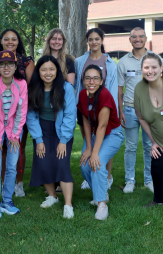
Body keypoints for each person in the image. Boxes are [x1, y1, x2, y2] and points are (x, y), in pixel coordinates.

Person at [0, 29, 35, 197]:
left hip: (19, 114)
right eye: (7, 39)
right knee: (1, 149)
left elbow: (31, 89)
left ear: (18, 41)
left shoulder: (26, 62)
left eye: (14, 39)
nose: (10, 42)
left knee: (18, 147)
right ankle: (4, 183)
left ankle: (18, 183)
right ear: (1, 41)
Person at [26, 56, 76, 218]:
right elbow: (31, 116)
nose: (48, 73)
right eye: (44, 69)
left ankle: (68, 205)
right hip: (42, 131)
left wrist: (63, 141)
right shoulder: (33, 88)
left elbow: (70, 116)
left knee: (62, 164)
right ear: (38, 72)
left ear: (57, 71)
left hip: (61, 131)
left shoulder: (66, 88)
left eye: (52, 69)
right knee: (44, 163)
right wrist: (38, 140)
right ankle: (53, 196)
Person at [0, 50, 27, 224]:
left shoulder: (21, 84)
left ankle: (7, 201)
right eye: (2, 64)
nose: (6, 67)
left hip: (14, 130)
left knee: (11, 167)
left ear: (16, 66)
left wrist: (15, 136)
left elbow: (21, 112)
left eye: (10, 64)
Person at [79, 64, 124, 220]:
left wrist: (95, 153)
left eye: (95, 78)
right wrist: (88, 149)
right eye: (88, 78)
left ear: (101, 80)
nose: (91, 81)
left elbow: (103, 126)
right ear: (83, 80)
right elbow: (85, 121)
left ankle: (101, 204)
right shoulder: (82, 95)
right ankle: (102, 192)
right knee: (85, 166)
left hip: (112, 133)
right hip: (94, 134)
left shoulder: (104, 94)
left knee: (96, 163)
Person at [75, 28, 118, 190]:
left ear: (102, 40)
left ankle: (107, 175)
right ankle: (90, 174)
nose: (94, 42)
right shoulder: (80, 61)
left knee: (105, 138)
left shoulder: (109, 63)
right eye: (91, 39)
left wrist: (114, 111)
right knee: (89, 139)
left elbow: (113, 88)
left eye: (97, 39)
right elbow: (78, 85)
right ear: (87, 42)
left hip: (104, 108)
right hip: (86, 108)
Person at [117, 27, 155, 193]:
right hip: (130, 110)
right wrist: (121, 111)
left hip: (150, 111)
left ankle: (149, 180)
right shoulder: (124, 62)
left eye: (141, 36)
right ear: (130, 39)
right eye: (134, 37)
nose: (138, 39)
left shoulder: (155, 59)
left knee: (150, 146)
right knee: (131, 147)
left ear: (145, 38)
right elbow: (119, 91)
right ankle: (130, 181)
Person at [42, 28, 75, 194]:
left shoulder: (68, 60)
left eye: (60, 39)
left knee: (61, 149)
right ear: (49, 40)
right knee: (47, 151)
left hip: (61, 106)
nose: (56, 41)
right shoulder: (42, 59)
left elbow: (71, 85)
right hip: (45, 108)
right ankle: (51, 184)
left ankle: (60, 182)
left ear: (63, 42)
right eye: (53, 38)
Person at [134, 53, 163, 206]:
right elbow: (141, 118)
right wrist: (153, 141)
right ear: (142, 70)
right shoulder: (139, 88)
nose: (150, 71)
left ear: (161, 68)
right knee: (157, 165)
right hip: (159, 139)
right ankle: (159, 200)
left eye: (154, 67)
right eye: (146, 67)